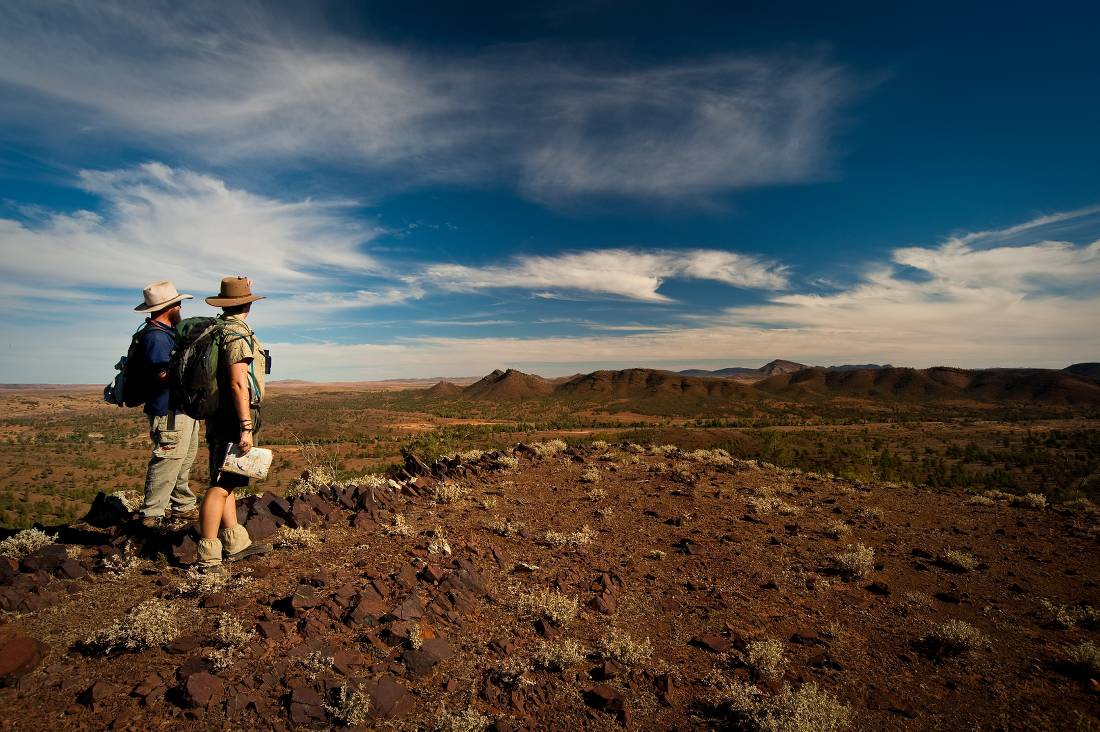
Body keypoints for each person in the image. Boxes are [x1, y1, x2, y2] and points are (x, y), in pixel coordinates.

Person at [196, 276, 272, 573]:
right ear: (247, 304)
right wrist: (245, 425)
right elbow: (239, 382)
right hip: (233, 415)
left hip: (219, 414)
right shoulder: (236, 335)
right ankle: (208, 555)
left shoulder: (217, 330)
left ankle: (234, 543)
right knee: (219, 485)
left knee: (228, 479)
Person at [133, 281, 200, 528]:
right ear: (169, 306)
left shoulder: (167, 333)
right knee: (167, 461)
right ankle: (151, 515)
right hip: (169, 411)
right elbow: (163, 375)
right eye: (177, 303)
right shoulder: (156, 338)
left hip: (182, 409)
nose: (181, 306)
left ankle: (182, 506)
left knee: (183, 461)